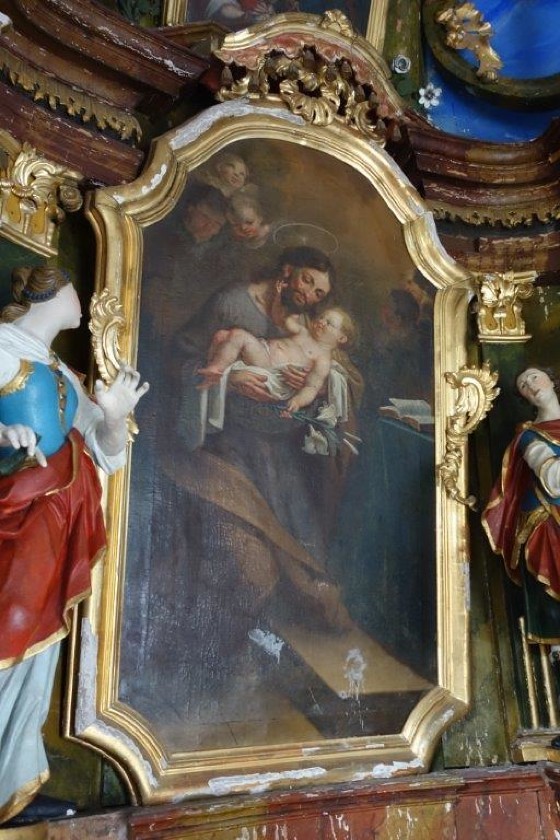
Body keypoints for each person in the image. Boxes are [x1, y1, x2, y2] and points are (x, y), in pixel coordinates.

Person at [0, 266, 149, 823]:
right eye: (72, 293)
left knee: (40, 650)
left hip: (60, 519)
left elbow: (108, 452)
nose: (80, 302)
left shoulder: (62, 370)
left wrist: (113, 416)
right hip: (14, 512)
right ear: (49, 295)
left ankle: (12, 783)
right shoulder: (2, 348)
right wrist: (3, 436)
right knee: (10, 627)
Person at [482, 367, 560, 648]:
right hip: (549, 526)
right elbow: (554, 480)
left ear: (552, 379)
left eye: (534, 377)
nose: (531, 384)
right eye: (524, 385)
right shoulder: (529, 437)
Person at [198, 306, 356, 415]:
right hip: (263, 351)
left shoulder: (322, 359)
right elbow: (285, 321)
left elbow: (311, 387)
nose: (321, 322)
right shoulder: (304, 332)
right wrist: (290, 312)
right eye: (321, 317)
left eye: (329, 323)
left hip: (269, 367)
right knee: (222, 336)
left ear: (341, 338)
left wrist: (298, 401)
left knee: (238, 335)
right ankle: (215, 369)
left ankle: (217, 370)